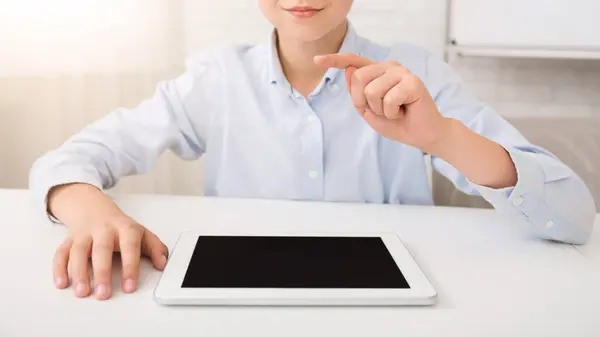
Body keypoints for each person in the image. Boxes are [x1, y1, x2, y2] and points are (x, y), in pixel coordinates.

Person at [29, 0, 596, 301]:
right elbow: (66, 162)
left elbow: (571, 215)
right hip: (244, 309)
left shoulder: (416, 73)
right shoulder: (215, 78)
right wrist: (93, 212)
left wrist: (441, 137)